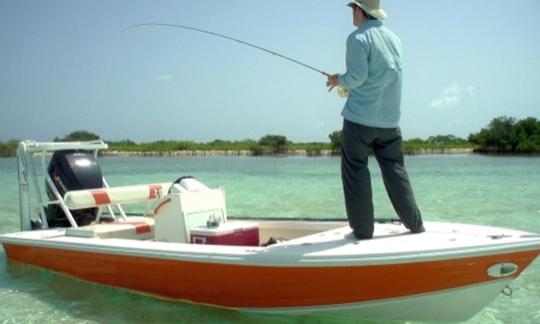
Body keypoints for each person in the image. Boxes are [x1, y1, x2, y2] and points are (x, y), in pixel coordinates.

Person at [326, 0, 425, 240]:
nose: (351, 13)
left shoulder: (356, 38)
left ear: (359, 10)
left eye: (352, 8)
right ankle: (415, 225)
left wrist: (338, 80)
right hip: (390, 123)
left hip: (359, 120)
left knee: (355, 171)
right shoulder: (395, 39)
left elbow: (357, 77)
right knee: (395, 171)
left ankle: (363, 232)